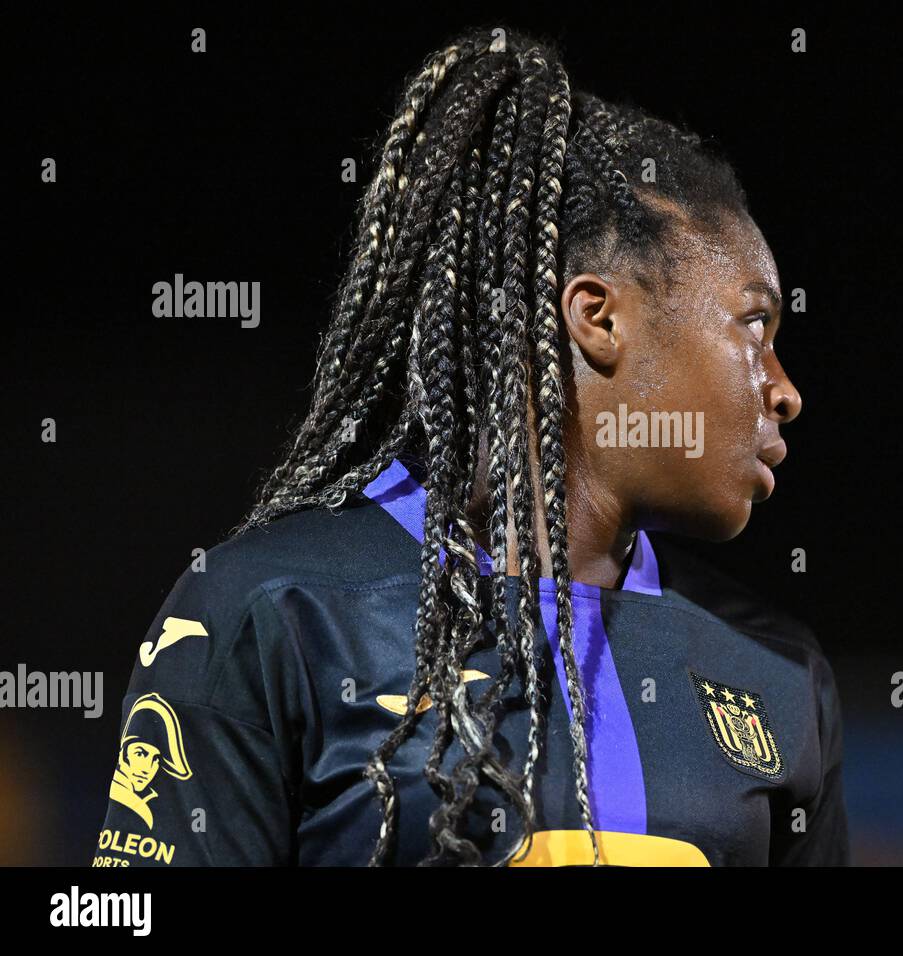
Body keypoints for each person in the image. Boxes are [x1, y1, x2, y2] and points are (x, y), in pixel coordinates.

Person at [91, 27, 846, 866]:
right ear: (598, 317)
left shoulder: (777, 670)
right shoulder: (274, 611)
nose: (784, 388)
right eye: (755, 326)